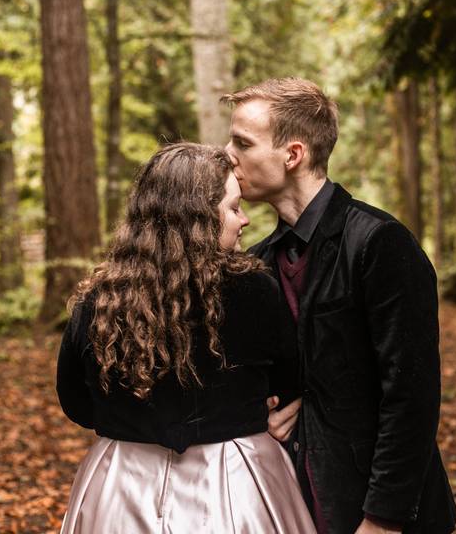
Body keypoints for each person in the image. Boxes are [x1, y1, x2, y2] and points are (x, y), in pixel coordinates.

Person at [223, 78, 456, 534]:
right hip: (295, 500)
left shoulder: (379, 243)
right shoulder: (258, 262)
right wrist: (266, 412)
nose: (228, 153)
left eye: (242, 142)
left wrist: (383, 520)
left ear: (293, 155)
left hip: (381, 509)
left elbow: (412, 396)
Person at [56, 143, 316, 533]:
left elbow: (76, 401)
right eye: (233, 208)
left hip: (122, 487)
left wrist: (127, 420)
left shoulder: (99, 301)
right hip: (236, 484)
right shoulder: (256, 292)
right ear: (197, 220)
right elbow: (289, 380)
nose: (244, 220)